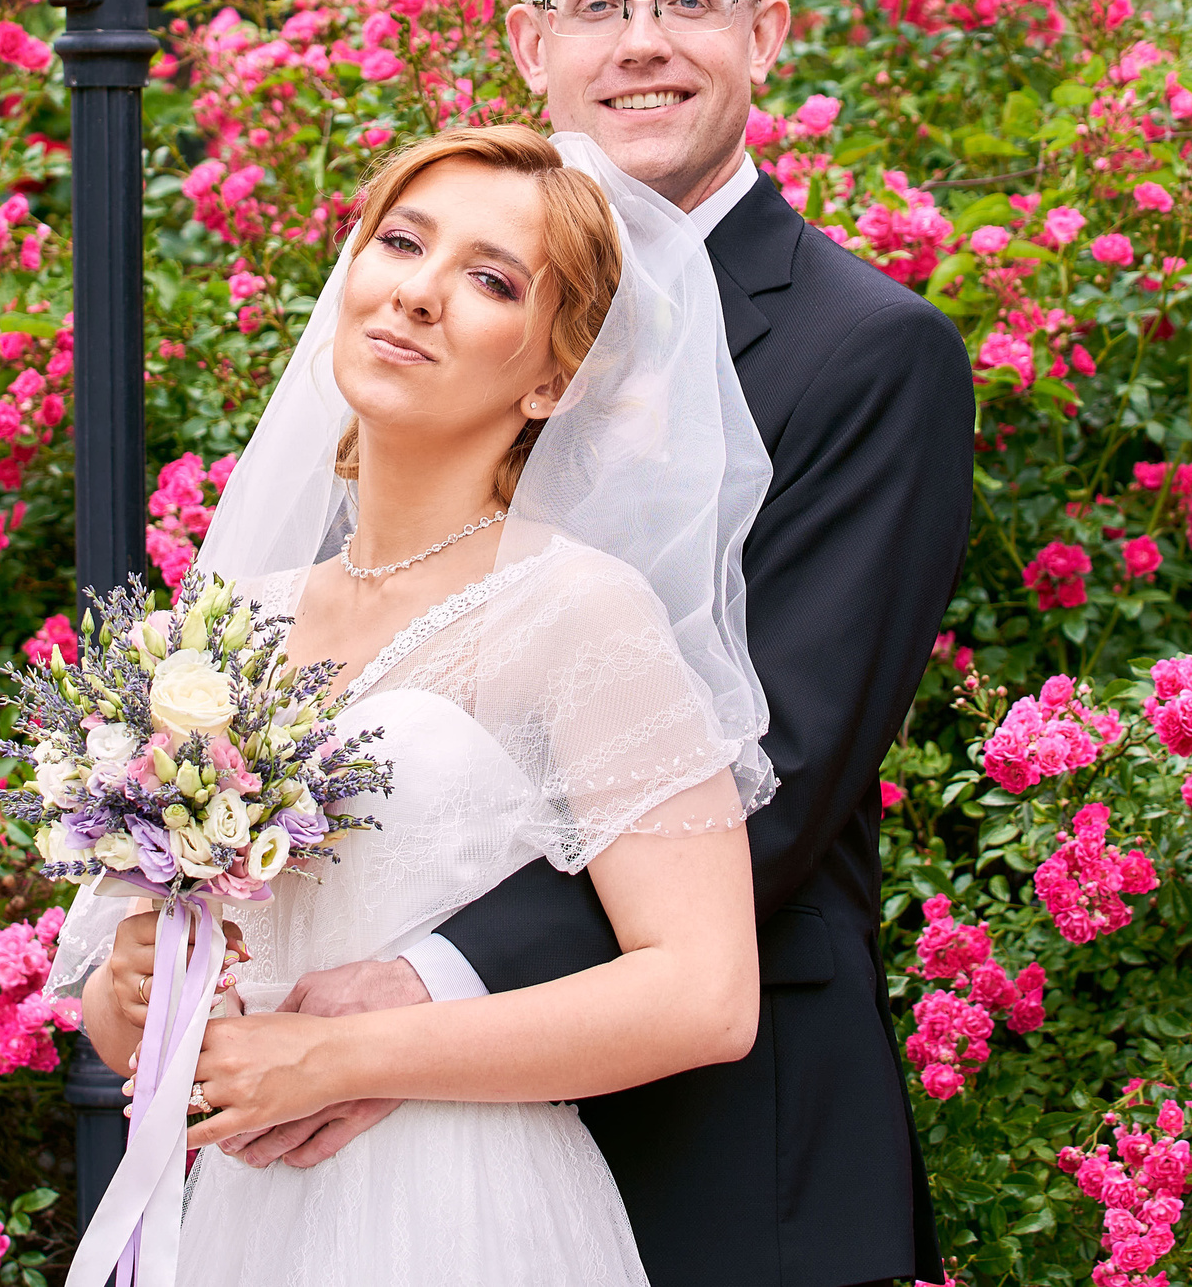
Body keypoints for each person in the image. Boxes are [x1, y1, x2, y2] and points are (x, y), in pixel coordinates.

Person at [202, 0, 977, 1287]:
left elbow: (780, 771)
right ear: (529, 42)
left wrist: (411, 995)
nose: (645, 44)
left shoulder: (868, 354)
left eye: (689, 0)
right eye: (599, 4)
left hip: (719, 1143)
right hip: (358, 1158)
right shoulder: (407, 338)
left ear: (768, 35)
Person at [52, 118, 780, 1284]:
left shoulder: (575, 610)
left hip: (463, 1211)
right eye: (401, 243)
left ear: (551, 376)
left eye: (490, 279)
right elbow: (114, 1011)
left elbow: (703, 994)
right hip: (248, 1217)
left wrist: (343, 1061)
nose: (419, 295)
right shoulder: (226, 629)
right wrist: (138, 987)